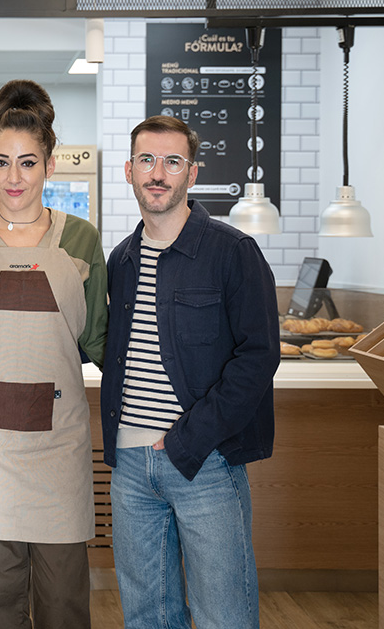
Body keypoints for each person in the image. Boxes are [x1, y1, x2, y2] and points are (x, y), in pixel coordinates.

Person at [0, 79, 108, 629]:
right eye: (2, 162)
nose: (15, 178)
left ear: (49, 166)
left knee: (64, 606)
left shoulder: (81, 239)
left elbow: (101, 339)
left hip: (56, 444)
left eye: (28, 163)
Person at [101, 115, 279, 629]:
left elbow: (259, 357)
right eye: (147, 160)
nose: (158, 173)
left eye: (172, 162)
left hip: (205, 462)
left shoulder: (233, 252)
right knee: (147, 616)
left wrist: (187, 439)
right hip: (131, 467)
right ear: (129, 170)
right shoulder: (122, 259)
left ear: (192, 174)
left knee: (224, 615)